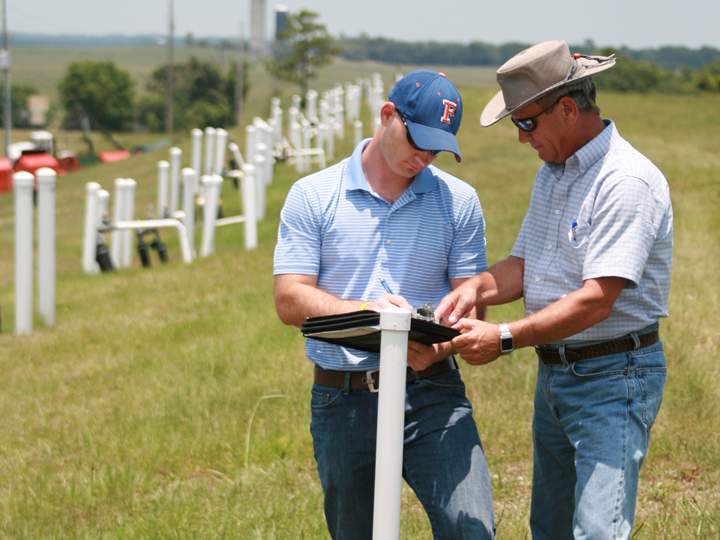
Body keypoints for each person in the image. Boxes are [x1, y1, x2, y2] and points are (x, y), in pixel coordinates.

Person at [435, 40, 673, 540]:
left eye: (526, 122)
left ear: (567, 109)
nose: (522, 139)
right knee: (551, 527)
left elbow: (596, 299)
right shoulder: (554, 173)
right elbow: (526, 264)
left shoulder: (625, 181)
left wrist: (502, 337)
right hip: (558, 377)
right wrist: (476, 287)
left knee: (595, 531)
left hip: (614, 376)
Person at [274, 70, 495, 540]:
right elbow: (289, 298)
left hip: (433, 393)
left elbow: (473, 306)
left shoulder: (459, 202)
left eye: (437, 149)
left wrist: (440, 348)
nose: (425, 157)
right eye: (419, 141)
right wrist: (365, 312)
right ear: (388, 115)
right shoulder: (312, 195)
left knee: (471, 529)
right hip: (343, 396)